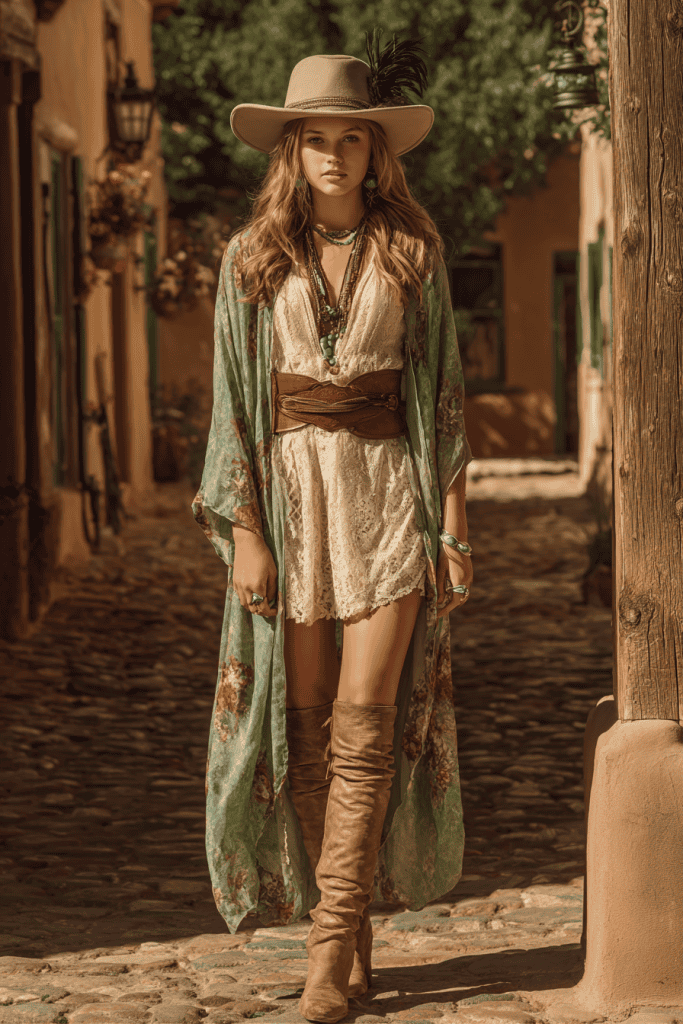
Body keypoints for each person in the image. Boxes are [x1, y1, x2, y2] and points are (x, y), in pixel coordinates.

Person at [192, 43, 473, 1024]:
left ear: (372, 150)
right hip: (289, 503)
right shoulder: (250, 258)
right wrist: (246, 532)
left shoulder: (413, 251)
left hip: (386, 496)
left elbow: (442, 395)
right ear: (291, 150)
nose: (331, 154)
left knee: (362, 730)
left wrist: (452, 529)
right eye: (314, 138)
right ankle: (347, 936)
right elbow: (232, 404)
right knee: (308, 732)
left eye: (349, 138)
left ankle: (324, 963)